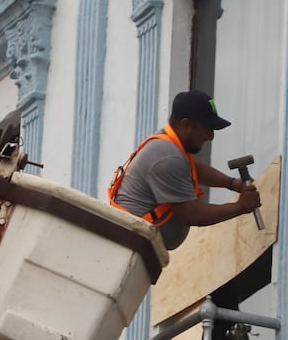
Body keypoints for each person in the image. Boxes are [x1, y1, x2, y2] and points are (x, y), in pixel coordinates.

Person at [108, 90, 262, 251]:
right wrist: (241, 207)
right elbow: (192, 214)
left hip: (135, 244)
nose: (211, 136)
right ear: (186, 124)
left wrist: (232, 184)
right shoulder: (167, 156)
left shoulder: (171, 146)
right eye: (207, 128)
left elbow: (194, 169)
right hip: (128, 245)